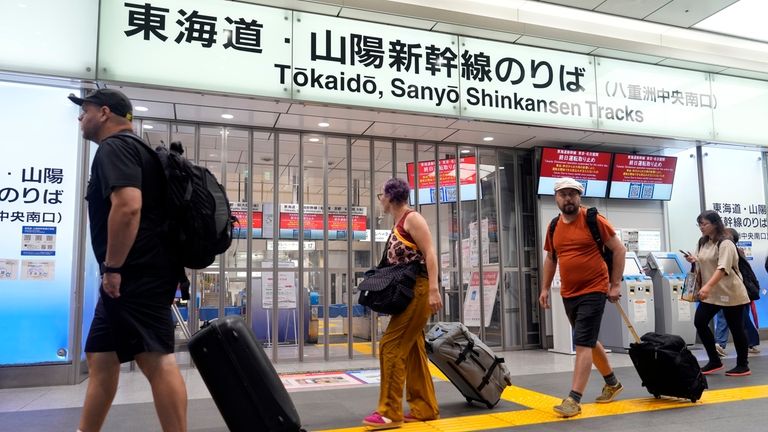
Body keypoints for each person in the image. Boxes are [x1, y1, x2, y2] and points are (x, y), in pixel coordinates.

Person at [69, 89, 188, 432]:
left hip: (135, 275)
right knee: (101, 357)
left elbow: (128, 206)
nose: (80, 118)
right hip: (135, 275)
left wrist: (114, 268)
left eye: (84, 111)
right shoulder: (139, 151)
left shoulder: (115, 147)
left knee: (155, 359)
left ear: (104, 113)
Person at [539, 177, 627, 418]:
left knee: (582, 342)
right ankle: (612, 383)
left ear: (579, 197)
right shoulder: (554, 226)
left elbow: (619, 249)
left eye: (572, 194)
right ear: (556, 198)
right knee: (587, 339)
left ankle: (573, 399)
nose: (568, 198)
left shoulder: (593, 220)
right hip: (569, 292)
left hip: (594, 289)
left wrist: (615, 284)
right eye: (563, 194)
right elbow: (551, 259)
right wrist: (545, 288)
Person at [362, 178, 442, 430]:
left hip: (418, 290)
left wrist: (433, 288)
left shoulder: (412, 219)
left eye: (381, 196)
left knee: (390, 346)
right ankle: (424, 407)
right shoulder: (399, 222)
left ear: (391, 196)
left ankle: (389, 412)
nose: (380, 201)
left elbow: (430, 253)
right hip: (411, 291)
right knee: (414, 349)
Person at [685, 211, 751, 376]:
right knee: (700, 322)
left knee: (736, 328)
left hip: (731, 292)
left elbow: (723, 268)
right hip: (712, 293)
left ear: (715, 224)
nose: (701, 227)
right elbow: (704, 261)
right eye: (699, 224)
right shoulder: (703, 242)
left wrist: (706, 287)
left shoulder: (726, 243)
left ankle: (743, 365)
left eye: (704, 224)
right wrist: (695, 260)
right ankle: (714, 361)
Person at [712, 228, 760, 356]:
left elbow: (744, 273)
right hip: (727, 290)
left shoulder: (733, 250)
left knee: (738, 318)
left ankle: (722, 344)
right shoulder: (723, 249)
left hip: (736, 291)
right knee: (736, 318)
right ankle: (748, 343)